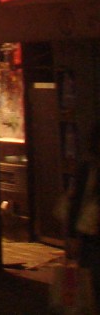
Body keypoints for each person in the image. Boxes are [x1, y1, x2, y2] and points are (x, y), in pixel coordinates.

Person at [67, 124, 100, 311]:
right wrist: (72, 235)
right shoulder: (88, 168)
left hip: (89, 232)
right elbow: (76, 201)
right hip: (89, 234)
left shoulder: (88, 168)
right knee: (89, 281)